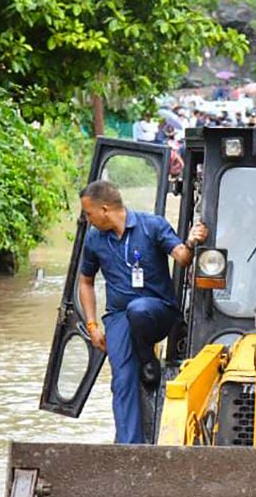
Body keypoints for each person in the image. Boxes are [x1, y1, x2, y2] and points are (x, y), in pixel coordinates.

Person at [78, 180, 208, 444]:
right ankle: (130, 446)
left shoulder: (152, 225)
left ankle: (147, 357)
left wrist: (192, 242)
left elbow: (182, 257)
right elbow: (85, 282)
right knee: (122, 379)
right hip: (118, 316)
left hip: (157, 311)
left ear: (104, 209)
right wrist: (92, 325)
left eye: (88, 213)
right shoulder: (95, 240)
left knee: (138, 309)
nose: (87, 219)